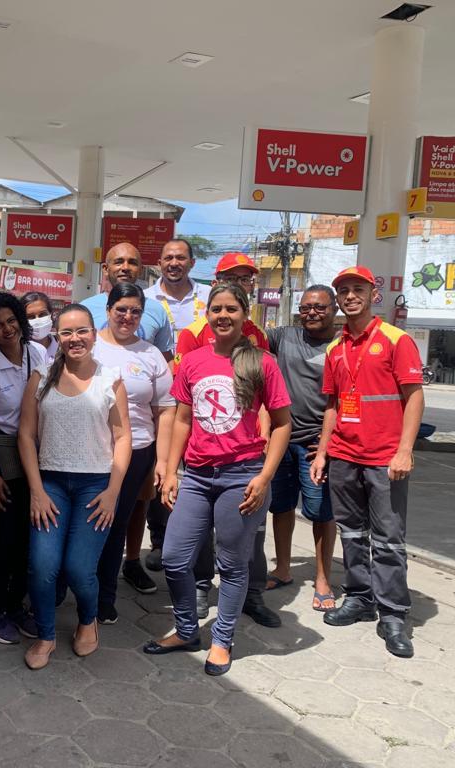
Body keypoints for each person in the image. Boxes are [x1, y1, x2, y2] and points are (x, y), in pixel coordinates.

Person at [147, 283, 291, 676]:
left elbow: (282, 424)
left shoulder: (262, 362)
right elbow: (181, 419)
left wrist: (265, 476)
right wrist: (172, 470)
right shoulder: (193, 361)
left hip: (241, 476)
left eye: (231, 309)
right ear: (207, 314)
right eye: (216, 309)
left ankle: (222, 639)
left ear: (245, 314)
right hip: (196, 476)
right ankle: (186, 631)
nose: (223, 316)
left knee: (232, 563)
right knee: (174, 558)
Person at [311, 266, 425, 659]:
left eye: (357, 289)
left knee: (389, 539)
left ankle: (393, 613)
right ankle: (360, 597)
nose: (350, 296)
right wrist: (323, 451)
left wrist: (405, 449)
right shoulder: (335, 348)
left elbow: (414, 396)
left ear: (373, 294)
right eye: (343, 290)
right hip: (344, 455)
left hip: (385, 458)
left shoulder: (396, 340)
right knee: (351, 533)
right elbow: (332, 404)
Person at [18, 304, 132, 670]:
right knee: (42, 566)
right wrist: (36, 490)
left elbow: (123, 437)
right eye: (66, 332)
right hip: (50, 483)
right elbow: (25, 435)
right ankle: (46, 634)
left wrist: (113, 491)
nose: (74, 338)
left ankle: (87, 620)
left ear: (94, 334)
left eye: (82, 330)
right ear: (57, 336)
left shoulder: (110, 379)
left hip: (95, 485)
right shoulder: (41, 376)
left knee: (80, 570)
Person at [173, 252, 278, 627]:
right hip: (203, 455)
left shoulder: (257, 336)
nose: (241, 283)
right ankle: (202, 586)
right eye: (233, 277)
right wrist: (171, 465)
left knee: (251, 531)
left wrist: (264, 442)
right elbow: (186, 404)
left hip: (246, 458)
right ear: (215, 284)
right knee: (199, 532)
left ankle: (252, 593)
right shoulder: (193, 335)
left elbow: (263, 399)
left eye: (246, 279)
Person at [92, 283, 175, 623]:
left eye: (135, 311)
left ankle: (104, 597)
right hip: (89, 451)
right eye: (121, 309)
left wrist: (163, 462)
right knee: (84, 523)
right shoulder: (88, 345)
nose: (127, 317)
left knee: (115, 524)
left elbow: (166, 411)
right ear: (108, 310)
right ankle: (68, 588)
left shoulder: (150, 355)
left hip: (137, 452)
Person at [0, 293, 47, 644]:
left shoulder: (38, 353)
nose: (7, 329)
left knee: (30, 535)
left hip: (36, 452)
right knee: (7, 536)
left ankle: (17, 605)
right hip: (1, 454)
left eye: (11, 321)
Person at [265, 285, 339, 612]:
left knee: (321, 512)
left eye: (319, 307)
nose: (311, 312)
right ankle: (282, 568)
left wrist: (329, 443)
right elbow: (248, 334)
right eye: (306, 307)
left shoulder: (342, 345)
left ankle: (323, 579)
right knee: (280, 507)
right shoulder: (284, 336)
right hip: (281, 440)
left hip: (316, 446)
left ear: (334, 309)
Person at [142, 239, 212, 573]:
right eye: (168, 257)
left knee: (199, 470)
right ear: (159, 262)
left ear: (192, 263)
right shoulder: (144, 299)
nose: (174, 263)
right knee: (163, 465)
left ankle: (199, 541)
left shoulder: (209, 297)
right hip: (162, 398)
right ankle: (161, 540)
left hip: (206, 396)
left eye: (180, 258)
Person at [81, 243, 174, 358]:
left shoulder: (157, 310)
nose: (125, 268)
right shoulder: (85, 309)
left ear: (141, 270)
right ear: (105, 269)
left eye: (132, 263)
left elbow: (166, 358)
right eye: (118, 262)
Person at [21, 291, 58, 360]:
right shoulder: (18, 353)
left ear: (51, 315)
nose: (37, 320)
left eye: (42, 314)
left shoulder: (62, 351)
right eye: (31, 317)